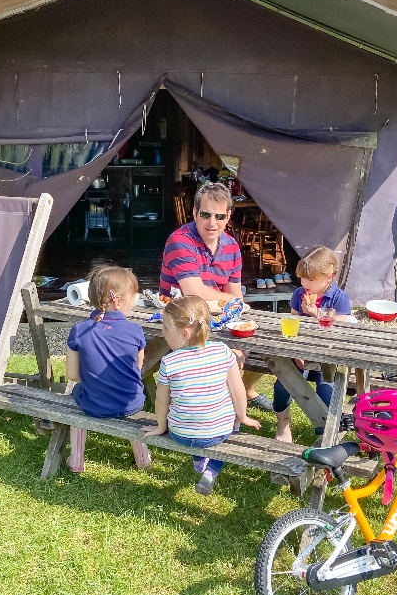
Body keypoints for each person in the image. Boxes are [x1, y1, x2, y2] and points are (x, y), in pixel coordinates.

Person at [159, 180, 273, 412]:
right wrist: (233, 302)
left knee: (268, 345)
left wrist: (233, 303)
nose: (213, 223)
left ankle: (237, 403)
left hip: (218, 317)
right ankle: (218, 417)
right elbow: (194, 293)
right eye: (206, 214)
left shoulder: (231, 245)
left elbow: (234, 295)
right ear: (194, 213)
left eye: (219, 217)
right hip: (181, 317)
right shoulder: (180, 241)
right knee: (230, 355)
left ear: (228, 216)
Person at [141, 296, 260, 495]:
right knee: (233, 424)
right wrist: (242, 416)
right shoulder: (222, 351)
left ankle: (198, 461)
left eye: (166, 329)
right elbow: (238, 389)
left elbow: (162, 401)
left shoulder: (169, 362)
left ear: (185, 333)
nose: (163, 333)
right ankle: (212, 470)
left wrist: (161, 427)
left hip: (181, 434)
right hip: (217, 432)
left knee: (191, 415)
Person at [65, 265, 152, 473]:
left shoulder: (79, 330)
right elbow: (138, 368)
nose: (136, 300)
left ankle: (76, 460)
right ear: (118, 301)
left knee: (76, 396)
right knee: (128, 401)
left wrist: (94, 381)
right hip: (131, 402)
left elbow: (72, 374)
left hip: (94, 404)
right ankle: (144, 460)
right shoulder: (135, 330)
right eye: (134, 296)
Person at [273, 246, 356, 444]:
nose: (305, 283)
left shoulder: (339, 298)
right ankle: (283, 421)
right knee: (283, 384)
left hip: (328, 356)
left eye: (311, 279)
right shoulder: (299, 294)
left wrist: (313, 313)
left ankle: (324, 431)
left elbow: (340, 329)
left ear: (328, 278)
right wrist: (296, 353)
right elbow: (293, 326)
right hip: (302, 352)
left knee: (326, 391)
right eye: (302, 278)